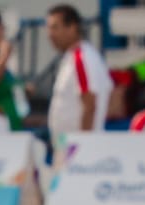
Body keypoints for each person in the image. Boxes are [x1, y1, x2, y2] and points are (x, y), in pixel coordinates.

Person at [45, 2, 111, 151]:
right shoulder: (73, 57)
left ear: (72, 27)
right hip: (68, 148)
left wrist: (82, 147)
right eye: (48, 28)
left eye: (55, 27)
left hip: (78, 151)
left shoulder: (81, 58)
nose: (50, 34)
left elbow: (89, 103)